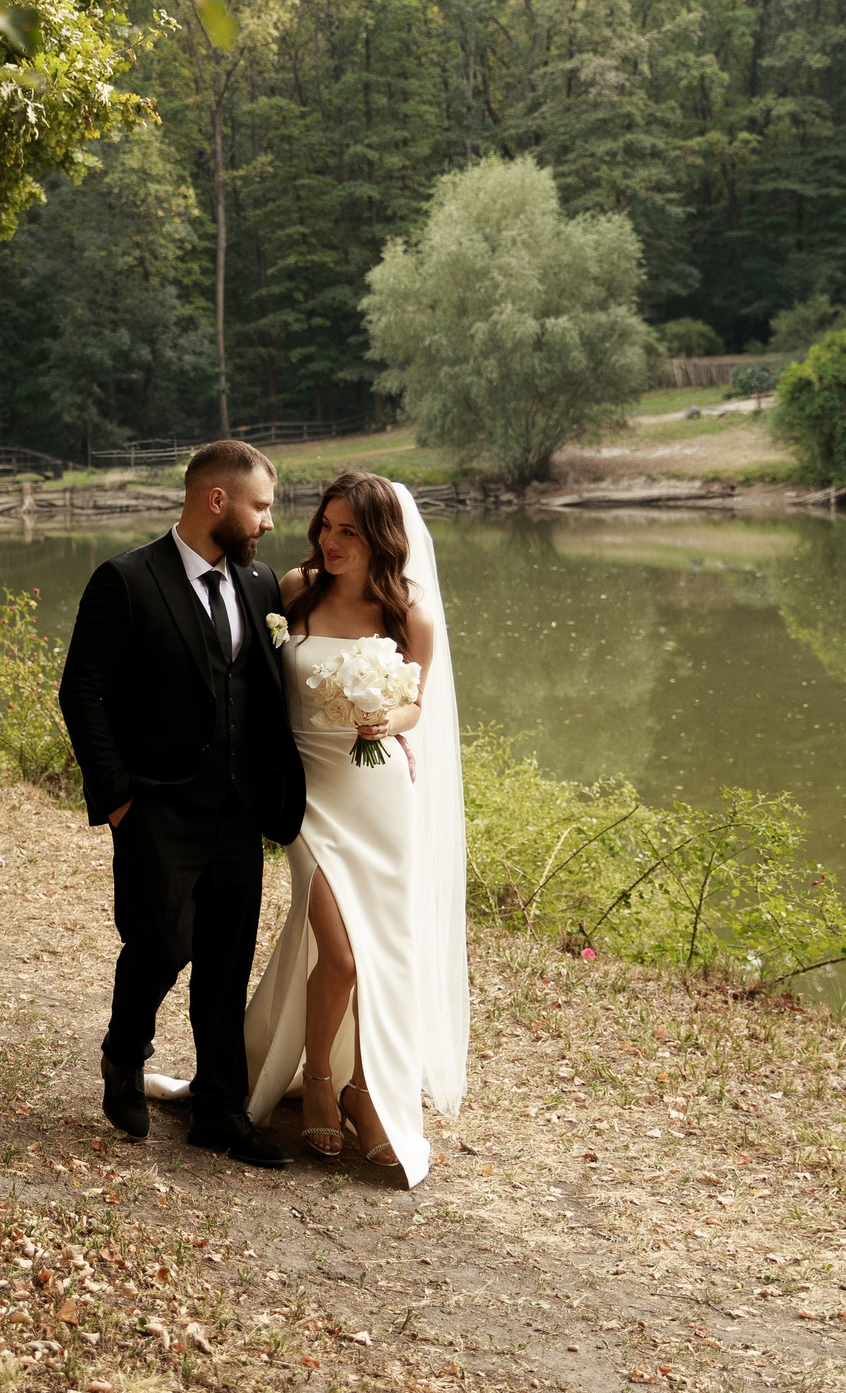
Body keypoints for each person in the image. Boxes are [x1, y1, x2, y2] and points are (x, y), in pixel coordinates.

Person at [57, 440, 307, 1168]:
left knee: (227, 959)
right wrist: (118, 799)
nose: (267, 522)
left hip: (238, 808)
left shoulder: (260, 584)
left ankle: (220, 1109)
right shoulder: (127, 579)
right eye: (260, 507)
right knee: (162, 943)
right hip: (157, 805)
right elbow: (82, 693)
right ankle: (124, 1049)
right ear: (216, 500)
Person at [241, 472, 468, 1185]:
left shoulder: (410, 613)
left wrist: (385, 717)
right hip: (305, 792)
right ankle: (316, 1078)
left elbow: (416, 705)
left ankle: (364, 1091)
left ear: (382, 540)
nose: (331, 542)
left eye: (349, 532)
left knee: (382, 951)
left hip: (377, 791)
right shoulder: (294, 589)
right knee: (338, 955)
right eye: (326, 526)